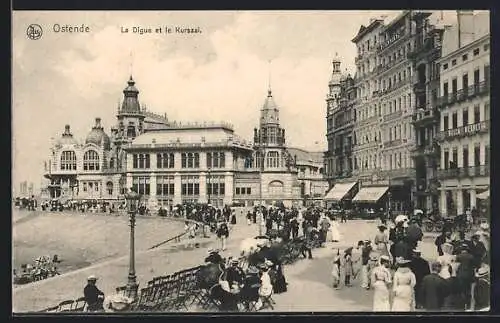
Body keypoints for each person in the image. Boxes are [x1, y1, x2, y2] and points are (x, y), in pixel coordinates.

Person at [455, 244, 475, 310]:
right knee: (468, 290)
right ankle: (468, 305)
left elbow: (456, 266)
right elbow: (473, 267)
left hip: (460, 275)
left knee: (461, 290)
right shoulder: (471, 256)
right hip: (469, 275)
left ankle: (462, 305)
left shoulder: (458, 256)